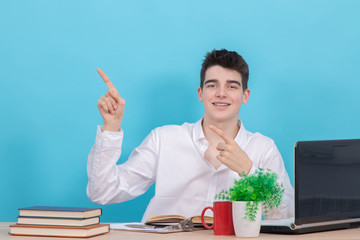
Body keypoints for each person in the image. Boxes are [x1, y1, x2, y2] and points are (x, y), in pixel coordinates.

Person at [87, 49, 294, 222]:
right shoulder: (164, 139)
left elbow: (287, 215)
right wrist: (111, 126)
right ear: (200, 93)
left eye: (232, 86)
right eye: (212, 85)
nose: (221, 93)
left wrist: (249, 170)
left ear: (245, 96)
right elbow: (102, 192)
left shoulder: (263, 148)